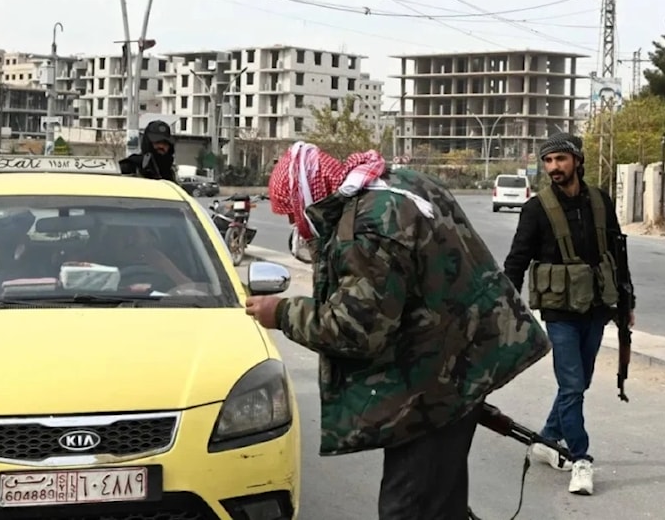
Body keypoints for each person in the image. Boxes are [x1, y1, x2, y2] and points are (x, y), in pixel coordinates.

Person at [244, 142, 550, 520]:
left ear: (309, 195)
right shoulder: (398, 183)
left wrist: (282, 312)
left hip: (435, 382)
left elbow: (354, 329)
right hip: (462, 362)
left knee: (407, 509)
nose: (295, 224)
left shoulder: (368, 227)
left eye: (293, 212)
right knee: (440, 504)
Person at [502, 132, 636, 496]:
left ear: (576, 160)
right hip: (559, 311)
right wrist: (502, 305)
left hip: (596, 307)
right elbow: (516, 260)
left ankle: (546, 439)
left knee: (578, 383)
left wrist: (627, 303)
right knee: (573, 384)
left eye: (560, 159)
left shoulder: (600, 202)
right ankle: (580, 459)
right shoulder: (536, 209)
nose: (554, 167)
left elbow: (617, 254)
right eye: (547, 161)